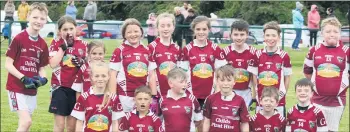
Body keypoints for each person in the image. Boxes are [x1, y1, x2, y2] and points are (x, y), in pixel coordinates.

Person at [5, 2, 49, 131]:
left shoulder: (42, 44)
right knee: (26, 122)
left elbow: (41, 68)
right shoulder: (18, 38)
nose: (38, 21)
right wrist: (24, 78)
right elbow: (8, 64)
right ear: (28, 16)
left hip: (31, 90)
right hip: (16, 87)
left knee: (25, 125)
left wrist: (43, 79)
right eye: (35, 17)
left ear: (46, 20)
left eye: (42, 18)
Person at [303, 17, 349, 131]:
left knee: (331, 130)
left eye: (335, 31)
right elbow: (307, 72)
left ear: (340, 33)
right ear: (322, 33)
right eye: (328, 31)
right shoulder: (313, 50)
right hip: (317, 100)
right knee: (315, 129)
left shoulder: (346, 51)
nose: (332, 34)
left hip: (337, 102)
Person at [48, 15, 88, 132]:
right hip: (59, 87)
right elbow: (52, 64)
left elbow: (90, 67)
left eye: (71, 29)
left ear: (76, 29)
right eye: (65, 29)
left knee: (71, 127)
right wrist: (62, 49)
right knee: (60, 125)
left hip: (76, 89)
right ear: (60, 31)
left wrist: (82, 62)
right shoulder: (56, 42)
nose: (68, 32)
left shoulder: (84, 45)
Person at [109, 18, 157, 112]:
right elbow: (113, 75)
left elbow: (152, 75)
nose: (133, 34)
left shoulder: (147, 50)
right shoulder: (119, 50)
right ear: (124, 35)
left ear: (141, 32)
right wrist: (113, 95)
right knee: (124, 125)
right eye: (129, 32)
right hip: (125, 96)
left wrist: (154, 96)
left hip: (143, 96)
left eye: (136, 31)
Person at [179, 15, 227, 108]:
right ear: (193, 30)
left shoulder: (215, 48)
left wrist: (217, 92)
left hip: (211, 93)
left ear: (209, 30)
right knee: (195, 121)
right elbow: (182, 73)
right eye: (198, 29)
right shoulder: (187, 49)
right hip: (192, 94)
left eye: (204, 29)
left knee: (208, 121)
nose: (201, 32)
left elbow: (220, 72)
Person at [248, 21, 292, 117]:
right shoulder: (257, 54)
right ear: (264, 37)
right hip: (261, 101)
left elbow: (287, 78)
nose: (270, 38)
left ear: (279, 37)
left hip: (278, 102)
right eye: (267, 35)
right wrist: (256, 96)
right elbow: (254, 77)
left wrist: (280, 96)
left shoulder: (284, 56)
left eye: (273, 35)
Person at [71, 62, 125, 132]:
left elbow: (115, 123)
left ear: (108, 76)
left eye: (103, 76)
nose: (100, 79)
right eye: (97, 76)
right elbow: (79, 122)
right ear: (91, 77)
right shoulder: (83, 97)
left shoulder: (114, 98)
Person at [203, 65, 249, 132]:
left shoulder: (240, 101)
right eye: (222, 80)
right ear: (217, 81)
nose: (225, 83)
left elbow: (244, 123)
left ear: (234, 81)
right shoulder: (210, 99)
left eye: (229, 80)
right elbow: (207, 121)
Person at [222, 19, 257, 108]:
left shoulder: (253, 52)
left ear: (247, 35)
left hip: (246, 92)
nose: (239, 37)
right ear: (231, 35)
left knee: (243, 119)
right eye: (236, 34)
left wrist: (254, 95)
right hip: (229, 91)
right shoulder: (225, 52)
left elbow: (254, 76)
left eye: (242, 34)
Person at [148, 13, 181, 97]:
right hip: (157, 93)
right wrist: (154, 95)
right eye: (162, 26)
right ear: (157, 28)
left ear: (173, 28)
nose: (166, 29)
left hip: (173, 93)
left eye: (169, 25)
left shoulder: (177, 49)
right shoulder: (151, 47)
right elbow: (150, 74)